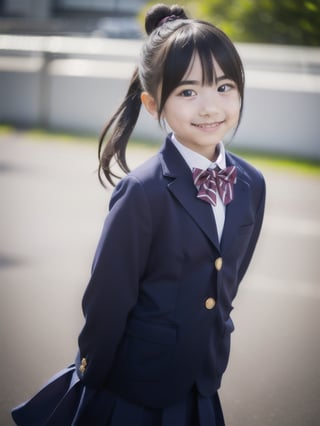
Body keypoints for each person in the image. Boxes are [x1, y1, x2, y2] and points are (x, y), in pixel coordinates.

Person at [12, 3, 266, 425]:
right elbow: (106, 302)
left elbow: (227, 282)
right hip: (132, 391)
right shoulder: (142, 193)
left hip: (202, 383)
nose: (209, 106)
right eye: (187, 92)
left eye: (224, 87)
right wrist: (93, 377)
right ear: (153, 104)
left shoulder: (251, 184)